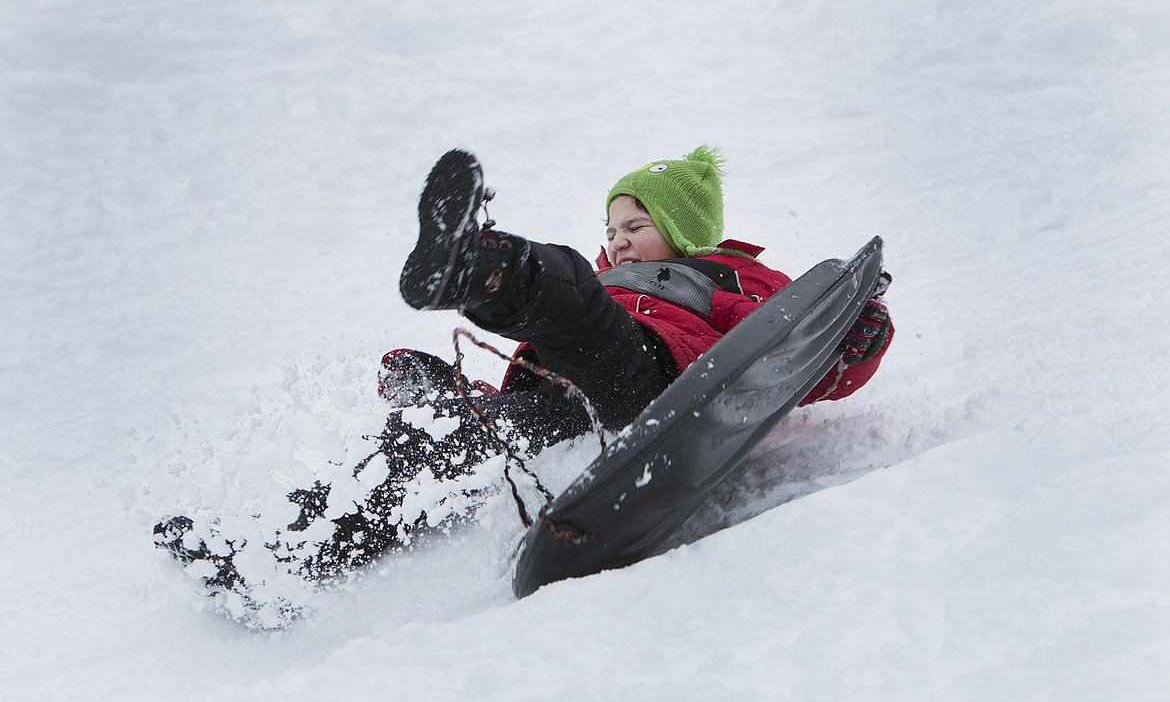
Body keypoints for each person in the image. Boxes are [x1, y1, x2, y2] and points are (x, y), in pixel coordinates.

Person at [154, 145, 892, 620]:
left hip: (652, 379)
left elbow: (792, 345)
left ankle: (485, 266)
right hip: (553, 405)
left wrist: (857, 335)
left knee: (576, 298)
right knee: (432, 447)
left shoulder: (725, 274)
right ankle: (278, 552)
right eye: (611, 224)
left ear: (685, 226)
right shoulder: (609, 278)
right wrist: (461, 397)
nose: (617, 237)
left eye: (636, 222)